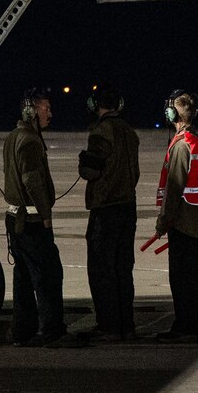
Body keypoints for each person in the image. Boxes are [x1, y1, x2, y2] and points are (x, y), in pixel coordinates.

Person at [3, 88, 80, 346]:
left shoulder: (14, 136)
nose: (50, 113)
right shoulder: (30, 141)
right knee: (48, 276)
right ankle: (53, 332)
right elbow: (31, 180)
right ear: (31, 111)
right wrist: (46, 215)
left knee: (24, 278)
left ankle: (22, 331)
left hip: (15, 220)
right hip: (33, 221)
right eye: (45, 108)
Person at [77, 83, 140, 342]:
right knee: (123, 268)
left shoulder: (101, 132)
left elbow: (91, 171)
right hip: (128, 206)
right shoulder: (129, 132)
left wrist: (84, 163)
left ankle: (109, 325)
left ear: (96, 105)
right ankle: (127, 325)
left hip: (106, 208)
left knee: (102, 269)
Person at [153, 90, 198, 342]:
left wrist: (163, 221)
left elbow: (174, 189)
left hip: (184, 222)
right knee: (194, 277)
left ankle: (184, 327)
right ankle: (194, 325)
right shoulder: (197, 142)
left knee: (182, 279)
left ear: (172, 114)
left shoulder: (181, 145)